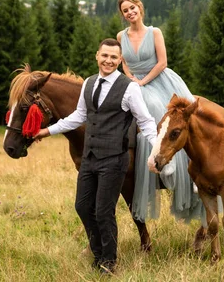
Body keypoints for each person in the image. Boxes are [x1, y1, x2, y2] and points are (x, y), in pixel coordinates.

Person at [33, 38, 157, 275]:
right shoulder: (89, 83)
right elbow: (79, 116)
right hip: (90, 157)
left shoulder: (129, 88)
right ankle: (98, 252)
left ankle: (109, 263)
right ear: (97, 56)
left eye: (114, 57)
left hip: (114, 158)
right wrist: (47, 131)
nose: (108, 60)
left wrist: (157, 148)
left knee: (103, 211)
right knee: (82, 206)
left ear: (120, 61)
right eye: (105, 56)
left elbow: (145, 121)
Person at [116, 0, 203, 224]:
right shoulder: (120, 36)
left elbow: (162, 62)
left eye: (132, 8)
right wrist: (131, 79)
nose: (130, 12)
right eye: (125, 10)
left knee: (155, 106)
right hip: (134, 82)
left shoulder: (154, 32)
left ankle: (169, 161)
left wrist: (143, 82)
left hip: (158, 80)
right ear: (123, 15)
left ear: (139, 8)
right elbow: (123, 62)